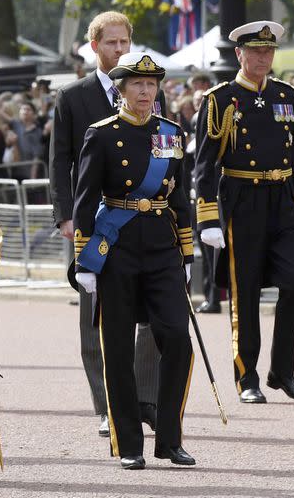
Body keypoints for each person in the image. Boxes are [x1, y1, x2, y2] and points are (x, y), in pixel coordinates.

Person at [73, 52, 195, 469]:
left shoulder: (171, 133)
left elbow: (180, 197)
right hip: (118, 248)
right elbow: (85, 198)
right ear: (121, 91)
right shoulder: (102, 134)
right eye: (137, 85)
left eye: (151, 85)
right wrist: (83, 260)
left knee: (177, 338)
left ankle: (170, 438)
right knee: (118, 348)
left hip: (162, 246)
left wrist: (188, 250)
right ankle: (128, 443)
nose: (146, 92)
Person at [48, 11, 161, 438]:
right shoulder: (73, 96)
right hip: (94, 218)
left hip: (143, 218)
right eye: (111, 43)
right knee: (96, 315)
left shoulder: (148, 91)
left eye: (124, 42)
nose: (119, 49)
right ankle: (107, 403)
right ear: (94, 47)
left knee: (152, 312)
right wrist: (66, 215)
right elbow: (59, 160)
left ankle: (144, 398)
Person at [194, 21, 294, 404]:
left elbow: (293, 157)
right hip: (242, 200)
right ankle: (247, 377)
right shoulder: (221, 99)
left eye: (269, 51)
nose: (263, 57)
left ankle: (283, 371)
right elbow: (204, 165)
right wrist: (208, 217)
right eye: (256, 51)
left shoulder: (286, 94)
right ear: (239, 55)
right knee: (245, 294)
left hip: (281, 200)